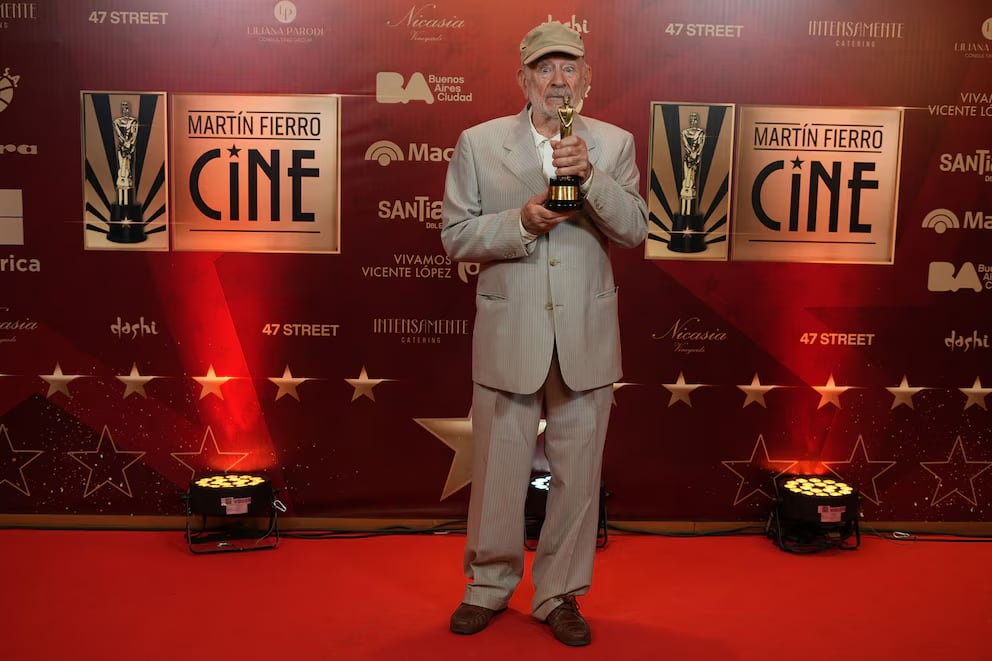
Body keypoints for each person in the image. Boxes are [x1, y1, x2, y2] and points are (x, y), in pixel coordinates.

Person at [440, 21, 648, 647]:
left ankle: (559, 594)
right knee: (500, 470)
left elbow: (635, 229)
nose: (557, 79)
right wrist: (520, 220)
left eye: (570, 67)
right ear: (523, 78)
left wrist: (591, 178)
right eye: (544, 68)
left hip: (586, 335)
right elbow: (455, 236)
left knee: (578, 477)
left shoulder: (612, 144)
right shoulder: (478, 143)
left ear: (587, 79)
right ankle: (487, 586)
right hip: (511, 335)